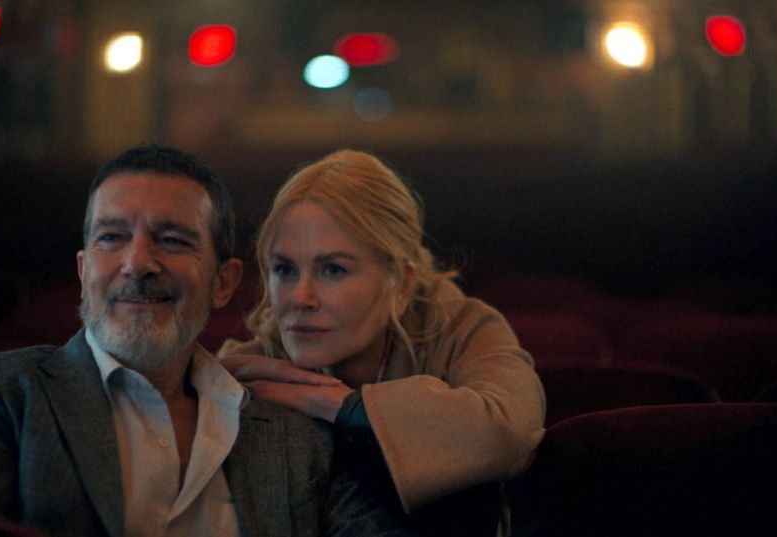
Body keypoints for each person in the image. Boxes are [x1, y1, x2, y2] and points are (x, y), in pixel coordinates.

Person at [0, 144, 412, 537]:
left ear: (223, 283)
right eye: (111, 237)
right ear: (83, 271)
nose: (138, 263)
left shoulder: (298, 434)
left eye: (171, 240)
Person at [218, 149, 546, 536]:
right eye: (284, 269)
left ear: (401, 283)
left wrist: (340, 405)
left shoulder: (463, 327)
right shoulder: (252, 364)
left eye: (333, 269)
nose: (300, 297)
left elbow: (509, 431)